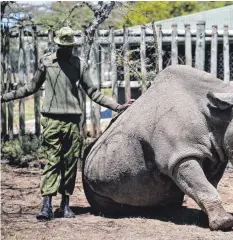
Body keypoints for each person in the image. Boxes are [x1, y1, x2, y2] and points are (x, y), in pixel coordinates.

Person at [0, 27, 134, 221]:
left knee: (70, 164)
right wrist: (4, 97)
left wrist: (117, 106)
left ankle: (65, 204)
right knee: (52, 162)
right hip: (52, 121)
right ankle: (46, 205)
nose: (67, 49)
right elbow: (31, 87)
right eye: (64, 46)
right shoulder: (47, 62)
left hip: (72, 122)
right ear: (58, 44)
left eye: (70, 46)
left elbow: (93, 92)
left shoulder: (80, 65)